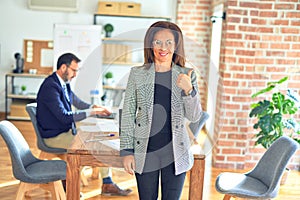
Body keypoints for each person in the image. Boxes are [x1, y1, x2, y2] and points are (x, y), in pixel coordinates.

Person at [120, 21, 202, 200]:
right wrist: (126, 151)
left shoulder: (187, 74)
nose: (163, 47)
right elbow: (127, 113)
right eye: (157, 42)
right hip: (146, 151)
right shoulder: (138, 74)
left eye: (169, 42)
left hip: (175, 152)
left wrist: (189, 90)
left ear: (176, 45)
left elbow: (195, 116)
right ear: (150, 44)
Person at [36, 52, 132, 196]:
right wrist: (91, 113)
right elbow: (64, 117)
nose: (75, 74)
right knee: (93, 145)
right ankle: (71, 183)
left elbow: (78, 102)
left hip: (65, 131)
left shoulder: (63, 83)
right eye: (74, 70)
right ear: (63, 68)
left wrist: (95, 108)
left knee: (98, 139)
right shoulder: (50, 87)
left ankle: (107, 183)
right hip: (54, 136)